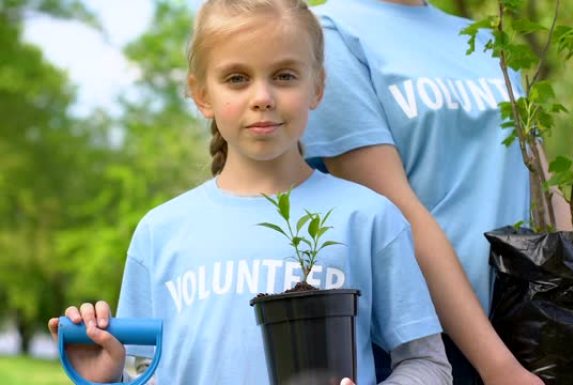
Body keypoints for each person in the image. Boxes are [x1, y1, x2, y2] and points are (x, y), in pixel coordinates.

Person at [47, 1, 453, 384]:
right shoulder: (160, 232)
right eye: (237, 78)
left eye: (284, 76)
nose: (262, 98)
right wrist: (108, 376)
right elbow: (141, 371)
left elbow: (428, 362)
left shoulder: (369, 217)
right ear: (202, 94)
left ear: (318, 86)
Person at [302, 1, 573, 385]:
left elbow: (549, 197)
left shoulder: (486, 40)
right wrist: (497, 367)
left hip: (537, 333)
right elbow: (395, 213)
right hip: (425, 349)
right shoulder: (327, 34)